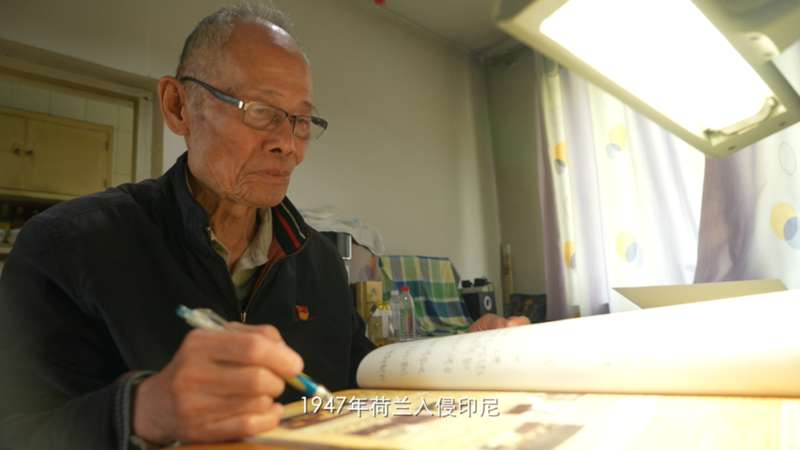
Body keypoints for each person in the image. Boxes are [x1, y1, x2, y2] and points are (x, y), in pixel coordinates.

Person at [0, 4, 528, 449]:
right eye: (260, 111)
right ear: (178, 106)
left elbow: (357, 377)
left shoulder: (318, 259)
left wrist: (458, 358)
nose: (289, 145)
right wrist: (144, 410)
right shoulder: (67, 245)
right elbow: (17, 430)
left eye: (302, 120)